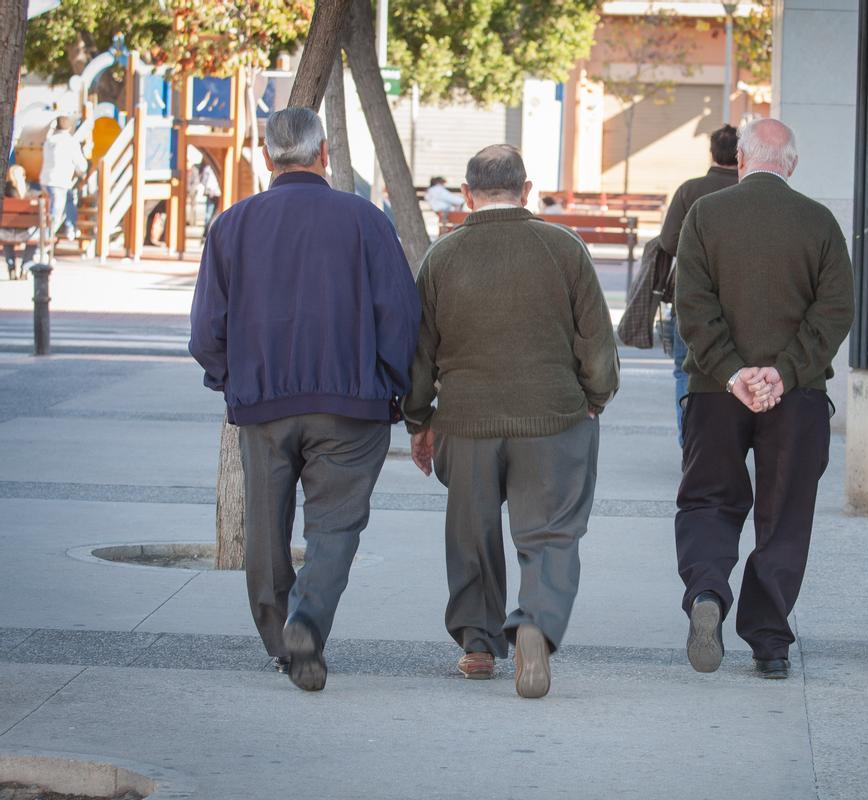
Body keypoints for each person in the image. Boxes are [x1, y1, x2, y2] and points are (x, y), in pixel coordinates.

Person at [189, 108, 420, 692]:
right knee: (335, 529)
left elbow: (204, 333)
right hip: (350, 404)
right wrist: (394, 390)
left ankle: (279, 641)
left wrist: (234, 380)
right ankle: (308, 626)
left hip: (263, 404)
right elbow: (400, 317)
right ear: (324, 154)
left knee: (265, 530)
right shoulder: (366, 220)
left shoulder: (231, 225)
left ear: (268, 157)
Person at [404, 144, 620, 698]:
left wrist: (419, 420)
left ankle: (477, 647)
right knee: (550, 534)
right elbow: (596, 340)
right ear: (526, 190)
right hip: (553, 417)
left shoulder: (441, 258)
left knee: (471, 532)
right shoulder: (563, 249)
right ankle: (534, 625)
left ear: (468, 193)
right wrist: (596, 396)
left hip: (466, 421)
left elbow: (420, 354)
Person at [674, 118, 854, 680]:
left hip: (714, 393)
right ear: (792, 165)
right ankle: (769, 640)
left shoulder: (705, 215)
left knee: (709, 500)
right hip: (796, 400)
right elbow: (835, 309)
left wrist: (732, 374)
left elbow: (692, 306)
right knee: (785, 516)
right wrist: (784, 372)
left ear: (742, 160)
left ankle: (707, 592)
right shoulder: (819, 221)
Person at [659, 124, 740, 445]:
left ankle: (689, 441)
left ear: (712, 152)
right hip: (738, 295)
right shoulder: (749, 190)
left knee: (685, 370)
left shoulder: (690, 190)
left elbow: (667, 241)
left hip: (690, 294)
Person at [39, 116, 88, 240]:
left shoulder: (49, 141)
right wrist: (82, 172)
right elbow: (81, 165)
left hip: (45, 180)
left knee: (67, 199)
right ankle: (53, 236)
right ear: (70, 128)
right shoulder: (70, 142)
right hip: (60, 181)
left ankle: (67, 227)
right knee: (57, 210)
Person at [1, 165, 38, 280]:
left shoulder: (3, 192)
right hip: (26, 234)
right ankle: (25, 268)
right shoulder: (29, 192)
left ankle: (11, 268)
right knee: (35, 237)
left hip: (5, 232)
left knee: (7, 239)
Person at [199, 162, 221, 239]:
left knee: (212, 215)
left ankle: (207, 233)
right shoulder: (208, 169)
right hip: (213, 193)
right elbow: (205, 181)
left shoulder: (208, 169)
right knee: (209, 215)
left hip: (216, 193)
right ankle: (206, 234)